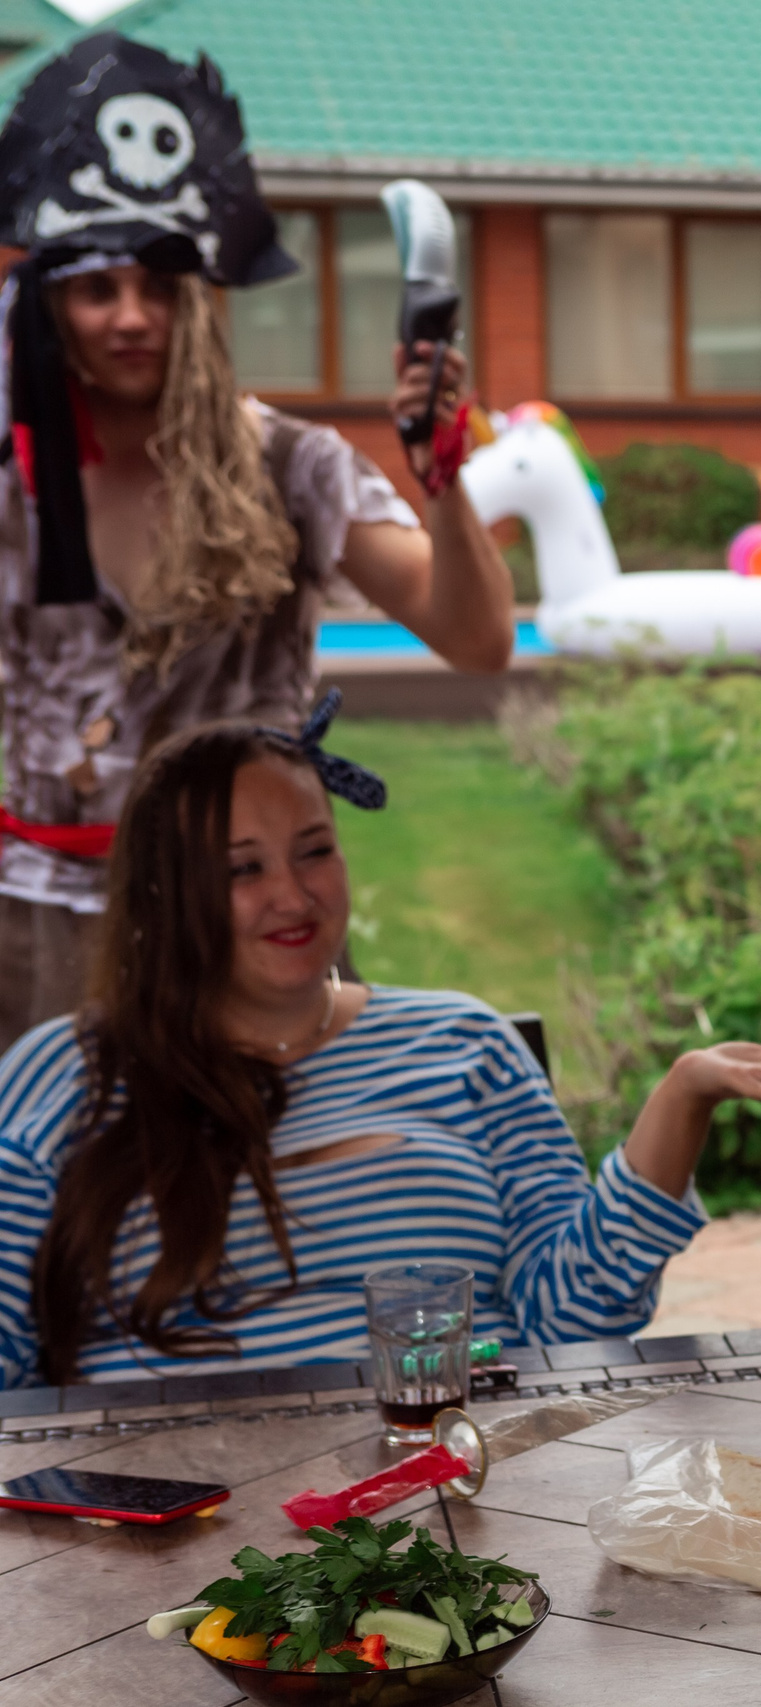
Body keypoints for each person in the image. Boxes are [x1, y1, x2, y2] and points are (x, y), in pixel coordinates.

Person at [0, 705, 761, 1387]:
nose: (293, 893)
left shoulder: (467, 1043)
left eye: (315, 849)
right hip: (168, 1502)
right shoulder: (61, 1076)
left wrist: (682, 1096)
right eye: (243, 869)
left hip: (452, 1470)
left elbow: (571, 1319)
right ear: (161, 895)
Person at [0, 36, 514, 1050]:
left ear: (202, 300)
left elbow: (479, 639)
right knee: (60, 1155)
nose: (132, 316)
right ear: (52, 307)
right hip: (46, 923)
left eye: (161, 285)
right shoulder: (11, 483)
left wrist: (441, 475)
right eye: (99, 290)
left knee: (283, 1152)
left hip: (255, 923)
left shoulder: (290, 465)